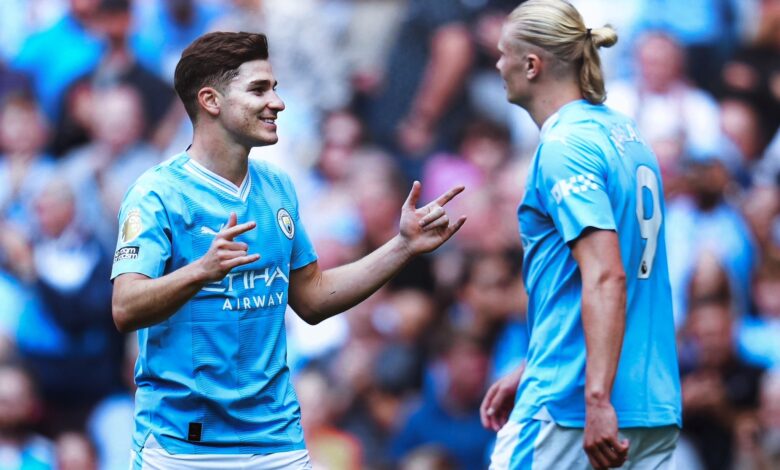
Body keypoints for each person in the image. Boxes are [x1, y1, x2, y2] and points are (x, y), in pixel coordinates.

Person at [110, 31, 466, 469]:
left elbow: (312, 298)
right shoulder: (156, 194)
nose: (277, 103)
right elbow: (125, 307)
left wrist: (403, 246)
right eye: (259, 89)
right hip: (184, 443)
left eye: (274, 88)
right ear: (211, 101)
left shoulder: (277, 186)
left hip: (276, 438)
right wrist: (201, 271)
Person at [480, 1, 681, 469]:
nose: (498, 65)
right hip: (651, 405)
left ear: (532, 65)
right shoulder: (626, 134)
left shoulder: (564, 147)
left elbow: (606, 275)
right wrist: (534, 363)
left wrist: (595, 397)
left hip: (573, 408)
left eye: (503, 53)